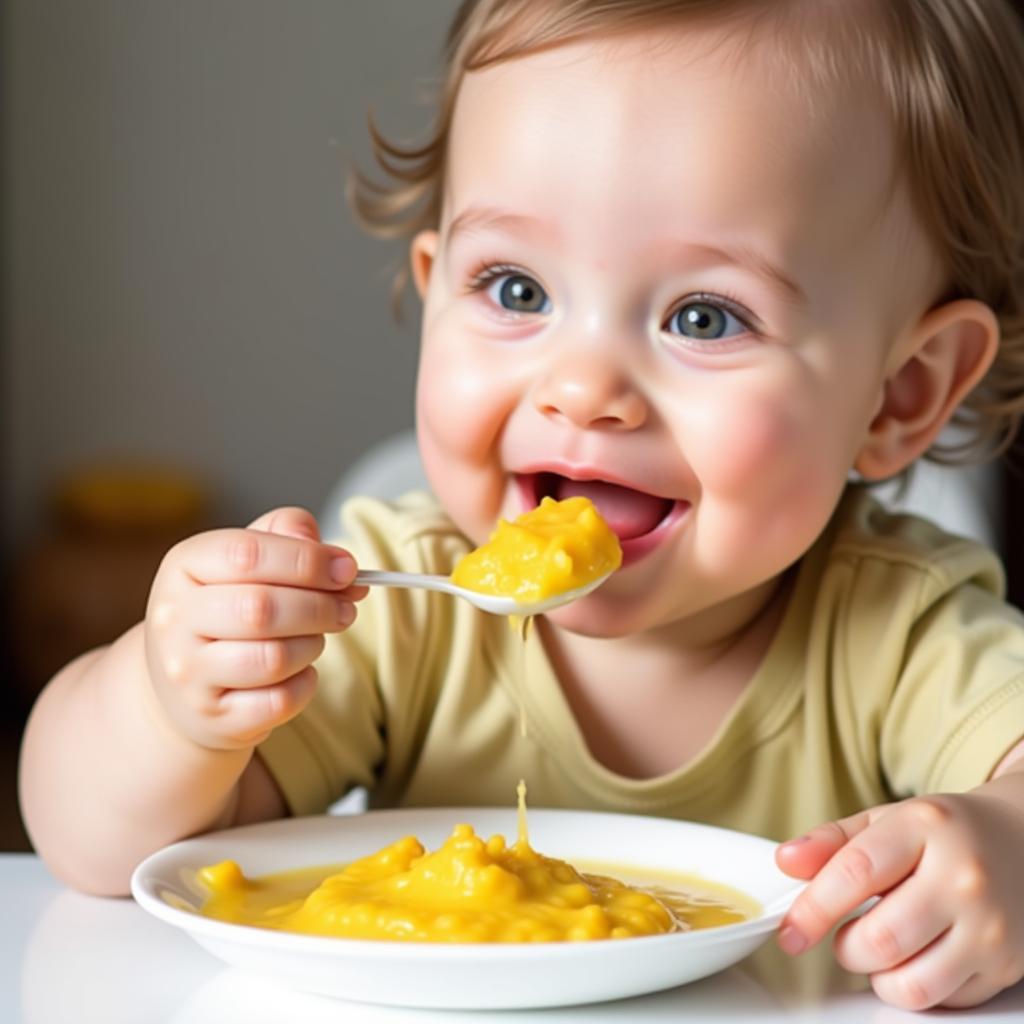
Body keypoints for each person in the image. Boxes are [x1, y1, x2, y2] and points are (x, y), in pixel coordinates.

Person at [19, 0, 1024, 1009]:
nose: (581, 387)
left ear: (900, 392)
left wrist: (1007, 846)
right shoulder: (396, 613)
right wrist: (167, 703)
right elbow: (94, 847)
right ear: (434, 284)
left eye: (703, 315)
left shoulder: (898, 630)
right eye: (514, 290)